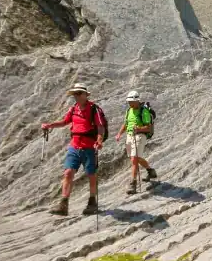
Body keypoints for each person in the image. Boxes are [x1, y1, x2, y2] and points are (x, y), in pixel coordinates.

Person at [42, 83, 104, 216]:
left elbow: (100, 126)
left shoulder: (94, 109)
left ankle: (92, 202)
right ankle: (63, 205)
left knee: (91, 175)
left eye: (78, 93)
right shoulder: (73, 109)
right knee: (68, 172)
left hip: (89, 146)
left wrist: (99, 140)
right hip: (74, 146)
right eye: (75, 93)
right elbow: (65, 122)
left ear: (85, 95)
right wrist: (50, 125)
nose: (76, 96)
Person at [115, 90, 157, 194]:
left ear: (137, 101)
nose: (129, 103)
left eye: (131, 102)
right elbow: (126, 124)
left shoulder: (144, 111)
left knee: (134, 159)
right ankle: (150, 170)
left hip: (140, 136)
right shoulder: (129, 111)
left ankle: (133, 184)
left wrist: (138, 129)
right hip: (129, 136)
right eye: (129, 102)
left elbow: (148, 127)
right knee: (135, 158)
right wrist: (119, 134)